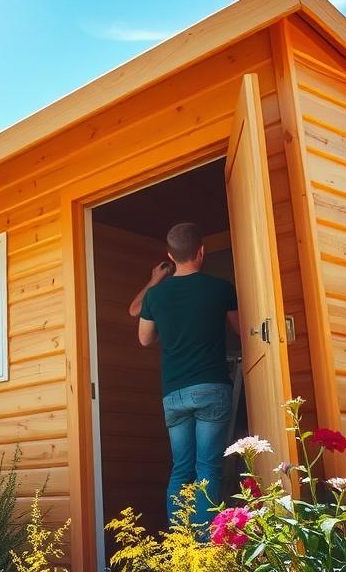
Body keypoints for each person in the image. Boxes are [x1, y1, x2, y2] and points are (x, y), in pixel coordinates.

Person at [129, 222, 239, 530]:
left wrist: (154, 281)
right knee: (207, 469)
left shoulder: (157, 296)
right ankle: (204, 549)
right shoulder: (221, 288)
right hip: (211, 388)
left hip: (174, 394)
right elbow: (245, 331)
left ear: (170, 255)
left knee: (181, 470)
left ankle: (180, 547)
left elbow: (144, 339)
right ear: (201, 252)